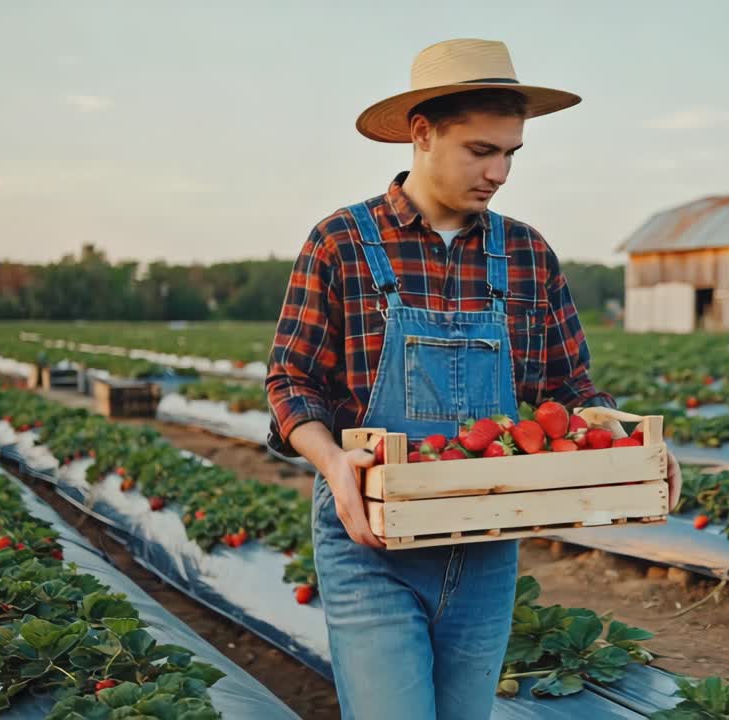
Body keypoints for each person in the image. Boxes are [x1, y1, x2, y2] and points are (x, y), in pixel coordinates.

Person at [265, 38, 681, 720]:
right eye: (481, 151)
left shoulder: (525, 253)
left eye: (511, 153)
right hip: (373, 540)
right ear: (422, 134)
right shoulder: (341, 241)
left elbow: (570, 389)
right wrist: (335, 464)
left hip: (488, 539)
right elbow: (292, 379)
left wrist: (633, 439)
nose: (500, 172)